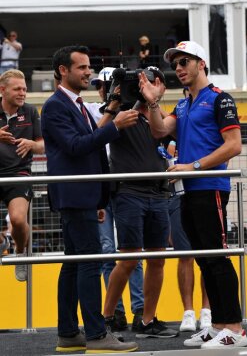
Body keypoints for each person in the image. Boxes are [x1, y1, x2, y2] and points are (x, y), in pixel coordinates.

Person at [139, 40, 247, 348]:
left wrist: (193, 166)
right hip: (188, 190)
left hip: (210, 187)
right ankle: (218, 325)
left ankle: (235, 329)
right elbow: (159, 130)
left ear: (201, 63)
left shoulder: (219, 99)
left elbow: (234, 145)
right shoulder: (184, 103)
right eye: (175, 64)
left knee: (216, 257)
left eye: (184, 62)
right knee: (203, 259)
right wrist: (151, 101)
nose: (178, 68)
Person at [41, 45, 139, 353]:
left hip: (83, 194)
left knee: (73, 264)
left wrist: (111, 110)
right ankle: (96, 334)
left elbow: (86, 141)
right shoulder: (57, 105)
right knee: (87, 262)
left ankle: (69, 333)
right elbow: (75, 146)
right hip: (75, 194)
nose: (89, 72)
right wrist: (115, 127)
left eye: (88, 67)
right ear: (63, 71)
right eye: (82, 67)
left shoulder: (76, 105)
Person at [99, 67, 178, 340]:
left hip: (158, 192)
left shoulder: (164, 117)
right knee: (128, 258)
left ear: (161, 87)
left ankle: (147, 320)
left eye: (152, 82)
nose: (145, 86)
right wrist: (114, 104)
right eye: (142, 82)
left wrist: (152, 102)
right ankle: (106, 318)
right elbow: (97, 137)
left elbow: (164, 134)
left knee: (157, 259)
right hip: (128, 192)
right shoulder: (122, 112)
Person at [86, 68, 146, 333]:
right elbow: (92, 139)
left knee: (131, 252)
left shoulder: (136, 108)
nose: (105, 88)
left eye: (110, 84)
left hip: (125, 187)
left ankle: (140, 309)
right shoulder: (89, 109)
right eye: (102, 84)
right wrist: (111, 108)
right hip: (102, 188)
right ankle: (116, 312)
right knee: (108, 251)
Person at [0, 69, 45, 281]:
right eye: (17, 89)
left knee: (18, 219)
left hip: (18, 172)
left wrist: (32, 144)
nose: (23, 93)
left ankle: (19, 252)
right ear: (2, 90)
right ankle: (3, 241)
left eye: (25, 89)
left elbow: (43, 146)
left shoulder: (30, 111)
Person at [166, 137, 212, 335]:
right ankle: (188, 312)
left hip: (206, 192)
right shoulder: (167, 142)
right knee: (185, 255)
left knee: (209, 255)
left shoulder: (204, 139)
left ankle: (207, 310)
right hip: (176, 197)